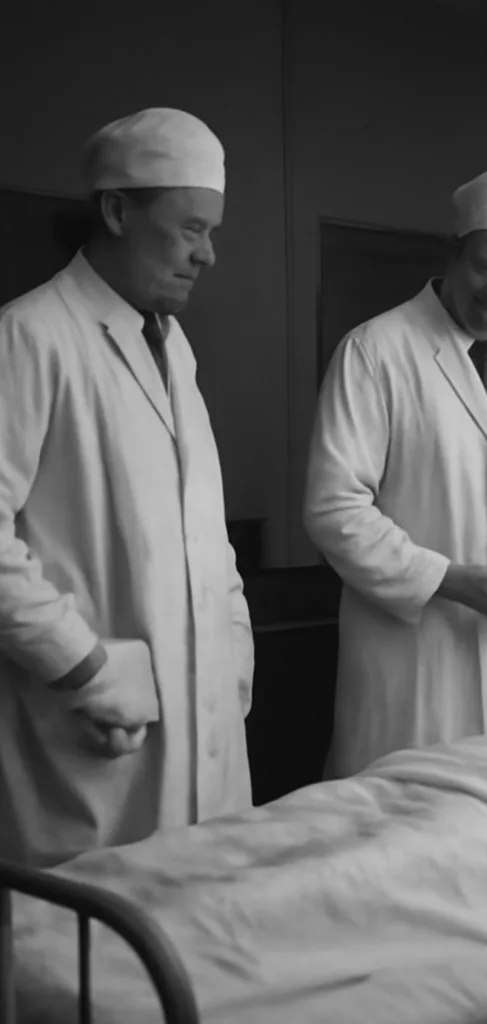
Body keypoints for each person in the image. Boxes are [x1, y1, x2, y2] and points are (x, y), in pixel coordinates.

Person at [0, 108, 254, 867]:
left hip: (205, 731)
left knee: (205, 913)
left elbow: (204, 531)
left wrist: (235, 654)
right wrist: (83, 666)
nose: (208, 254)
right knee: (101, 927)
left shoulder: (174, 348)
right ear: (116, 211)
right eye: (191, 229)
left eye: (212, 231)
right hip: (92, 729)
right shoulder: (30, 337)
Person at [305, 165, 487, 778]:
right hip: (416, 658)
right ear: (454, 252)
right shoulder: (374, 352)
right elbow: (334, 508)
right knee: (406, 816)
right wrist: (448, 580)